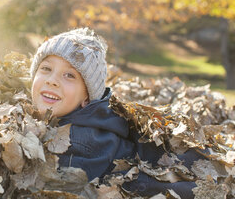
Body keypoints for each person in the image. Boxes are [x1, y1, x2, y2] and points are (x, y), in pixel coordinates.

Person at [30, 28, 206, 198]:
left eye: (69, 75)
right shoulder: (74, 116)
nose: (52, 81)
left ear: (87, 98)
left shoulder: (76, 143)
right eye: (46, 69)